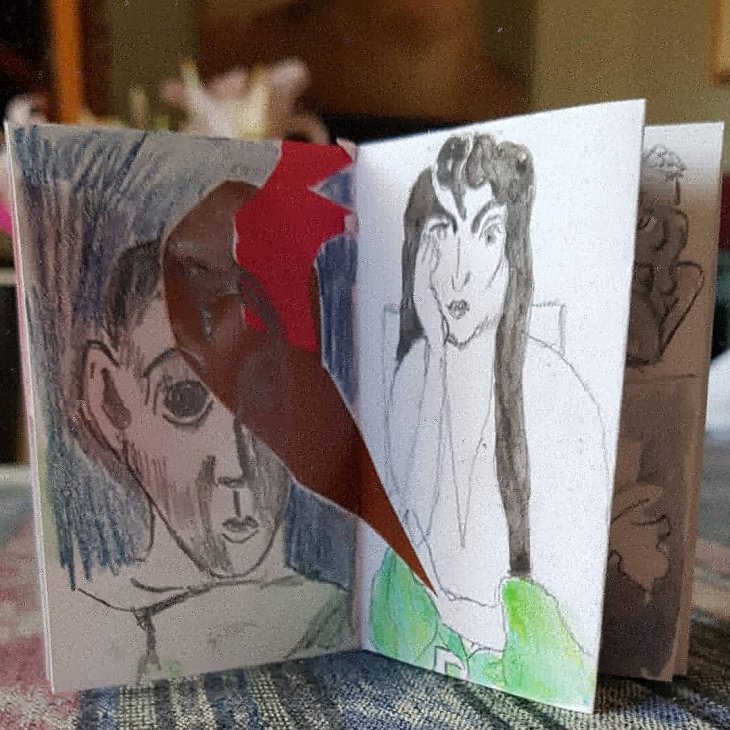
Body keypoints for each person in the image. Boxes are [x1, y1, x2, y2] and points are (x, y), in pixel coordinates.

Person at [61, 183, 355, 680]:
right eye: (183, 399)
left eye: (267, 395)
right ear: (110, 401)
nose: (237, 466)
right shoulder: (93, 634)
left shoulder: (334, 618)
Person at [371, 133, 608, 706]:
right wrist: (434, 358)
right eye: (442, 232)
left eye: (486, 233)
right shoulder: (412, 378)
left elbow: (567, 611)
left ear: (514, 252)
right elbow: (405, 570)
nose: (459, 271)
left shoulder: (558, 394)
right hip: (418, 661)